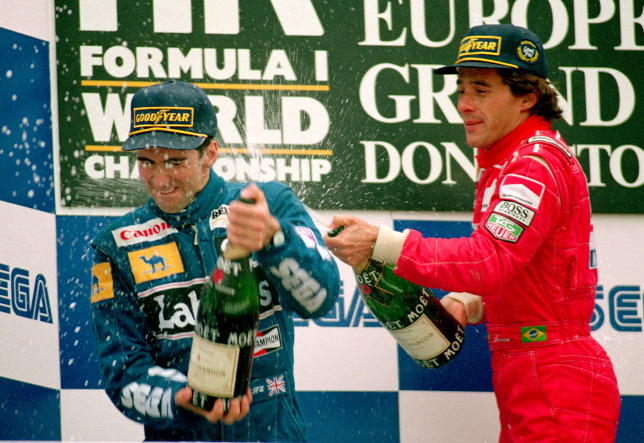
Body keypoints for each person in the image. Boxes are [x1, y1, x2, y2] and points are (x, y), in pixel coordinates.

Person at [324, 24, 620, 442]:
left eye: (481, 90)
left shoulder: (532, 164)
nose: (464, 103)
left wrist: (379, 242)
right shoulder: (510, 159)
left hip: (555, 378)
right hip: (535, 371)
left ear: (527, 97)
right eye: (461, 89)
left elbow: (488, 260)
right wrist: (470, 300)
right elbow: (532, 269)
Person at [90, 79, 340, 442]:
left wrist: (275, 240)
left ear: (210, 153)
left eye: (175, 161)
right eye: (146, 162)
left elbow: (321, 300)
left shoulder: (266, 206)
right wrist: (182, 397)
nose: (160, 179)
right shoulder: (116, 244)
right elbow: (124, 372)